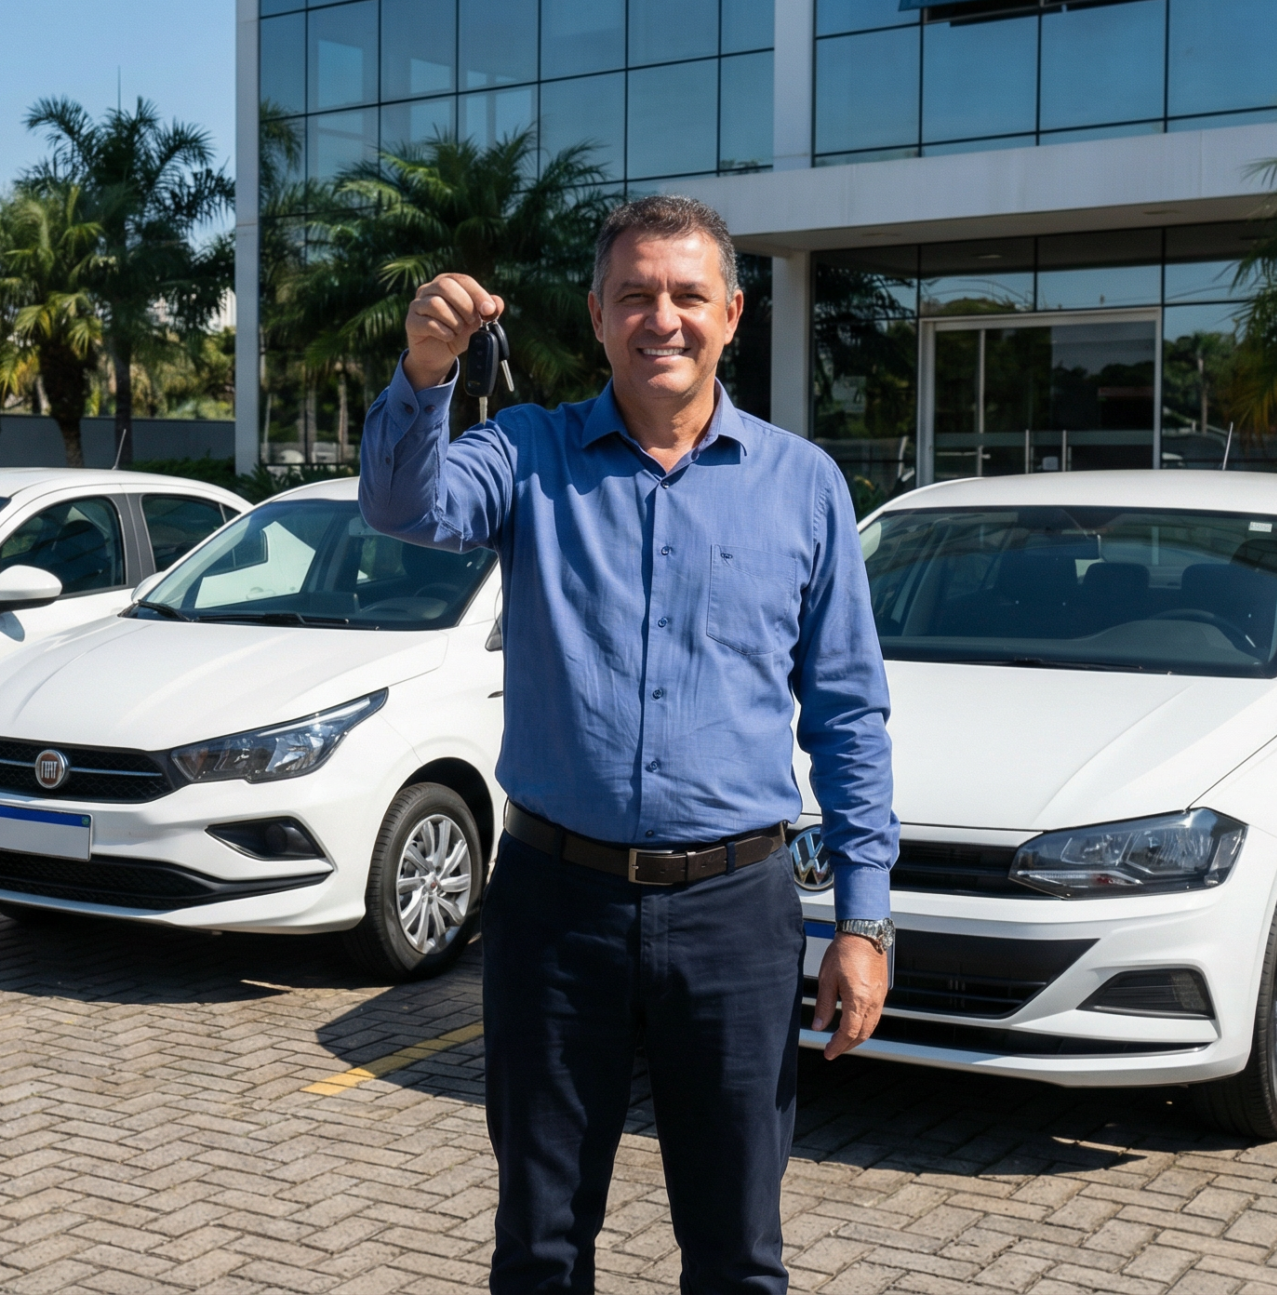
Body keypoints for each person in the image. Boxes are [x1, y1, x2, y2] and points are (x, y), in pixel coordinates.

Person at [356, 194, 897, 1294]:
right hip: (557, 907)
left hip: (735, 916)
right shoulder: (526, 453)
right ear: (596, 314)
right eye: (636, 294)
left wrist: (864, 919)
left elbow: (845, 709)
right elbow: (402, 504)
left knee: (738, 1251)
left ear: (732, 313)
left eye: (688, 294)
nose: (664, 318)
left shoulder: (803, 488)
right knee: (542, 1244)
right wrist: (424, 373)